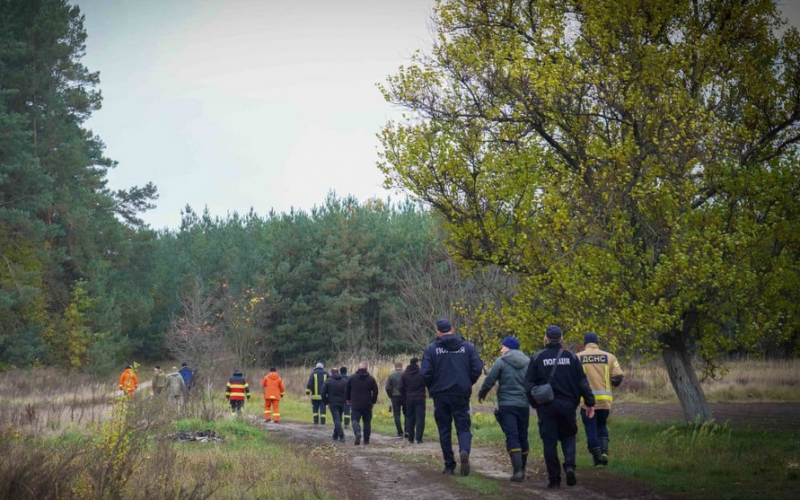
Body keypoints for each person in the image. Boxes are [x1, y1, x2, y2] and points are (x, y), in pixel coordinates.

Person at [525, 325, 595, 489]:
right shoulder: (571, 357)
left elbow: (528, 385)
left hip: (547, 407)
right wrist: (590, 402)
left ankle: (554, 480)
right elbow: (583, 383)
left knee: (549, 443)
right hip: (568, 406)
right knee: (568, 436)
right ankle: (569, 466)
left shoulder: (537, 358)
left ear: (546, 338)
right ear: (561, 339)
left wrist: (535, 403)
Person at [421, 317, 483, 476]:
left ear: (438, 332)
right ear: (453, 329)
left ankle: (449, 465)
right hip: (461, 394)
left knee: (444, 429)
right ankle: (464, 451)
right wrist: (467, 382)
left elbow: (425, 373)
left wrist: (432, 388)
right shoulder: (467, 347)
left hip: (440, 395)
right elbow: (477, 368)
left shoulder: (431, 349)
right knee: (463, 427)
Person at [477, 336, 530, 482]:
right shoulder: (528, 361)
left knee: (512, 436)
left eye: (503, 347)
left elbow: (490, 380)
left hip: (507, 405)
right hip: (524, 405)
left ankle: (517, 471)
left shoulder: (501, 361)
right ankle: (523, 470)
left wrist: (482, 394)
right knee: (523, 435)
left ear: (509, 347)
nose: (501, 350)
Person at [577, 332, 625, 466]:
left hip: (586, 401)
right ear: (597, 342)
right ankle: (604, 453)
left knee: (590, 428)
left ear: (585, 343)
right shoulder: (610, 357)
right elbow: (618, 378)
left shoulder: (577, 357)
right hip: (605, 401)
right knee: (602, 425)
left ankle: (597, 456)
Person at [345, 362, 379, 445]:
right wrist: (373, 401)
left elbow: (347, 389)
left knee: (355, 419)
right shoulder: (371, 379)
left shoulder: (352, 378)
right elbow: (375, 391)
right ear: (367, 368)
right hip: (367, 403)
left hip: (355, 403)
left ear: (358, 368)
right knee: (367, 421)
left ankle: (357, 433)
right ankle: (366, 440)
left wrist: (348, 399)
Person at [399, 357, 426, 444]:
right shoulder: (422, 372)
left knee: (410, 418)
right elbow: (426, 382)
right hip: (420, 397)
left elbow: (400, 387)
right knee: (420, 418)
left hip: (409, 398)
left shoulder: (404, 373)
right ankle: (419, 438)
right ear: (417, 363)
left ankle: (411, 438)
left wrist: (404, 396)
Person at [321, 367, 348, 442]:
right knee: (338, 419)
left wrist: (326, 401)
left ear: (331, 372)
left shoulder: (328, 381)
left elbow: (322, 393)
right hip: (342, 403)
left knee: (336, 419)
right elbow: (347, 392)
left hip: (333, 403)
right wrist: (346, 400)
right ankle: (335, 435)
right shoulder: (344, 381)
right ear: (338, 372)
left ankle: (342, 436)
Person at [385, 361, 405, 438]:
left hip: (395, 396)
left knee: (397, 414)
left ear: (395, 367)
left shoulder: (391, 375)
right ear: (402, 366)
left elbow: (387, 387)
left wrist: (391, 395)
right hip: (404, 396)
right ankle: (407, 431)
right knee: (407, 414)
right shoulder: (405, 374)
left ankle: (400, 432)